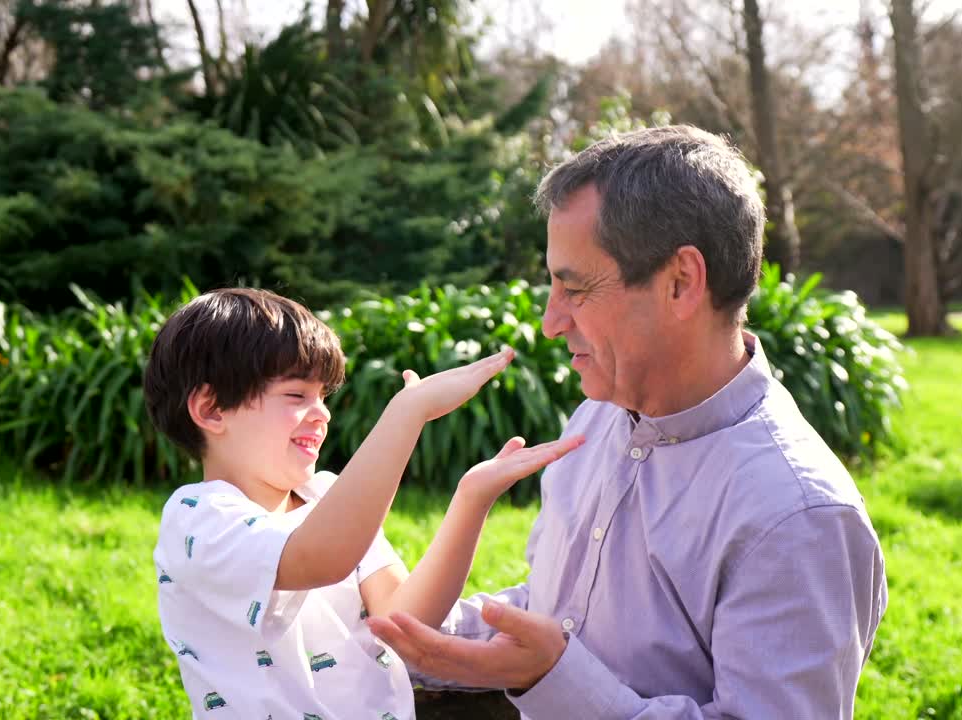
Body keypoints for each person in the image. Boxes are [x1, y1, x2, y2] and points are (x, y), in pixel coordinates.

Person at [368, 125, 889, 719]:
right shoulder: (596, 419)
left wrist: (554, 676)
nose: (549, 321)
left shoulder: (796, 516)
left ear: (680, 282)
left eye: (575, 288)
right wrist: (428, 632)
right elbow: (569, 618)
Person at [142, 287, 583, 719]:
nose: (322, 413)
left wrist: (471, 499)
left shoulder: (327, 497)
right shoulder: (199, 520)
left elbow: (406, 621)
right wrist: (407, 414)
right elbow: (323, 555)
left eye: (323, 396)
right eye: (297, 395)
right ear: (212, 409)